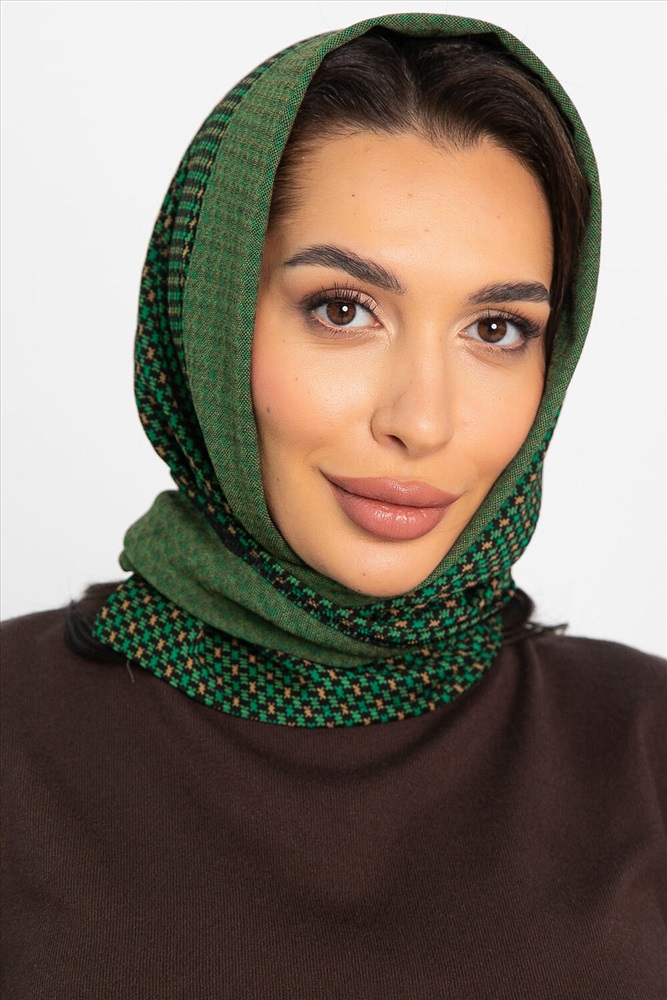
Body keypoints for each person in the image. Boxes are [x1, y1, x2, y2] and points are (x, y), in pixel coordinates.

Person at [1, 11, 665, 998]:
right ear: (210, 315)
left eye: (495, 328)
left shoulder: (645, 744)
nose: (421, 421)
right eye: (342, 310)